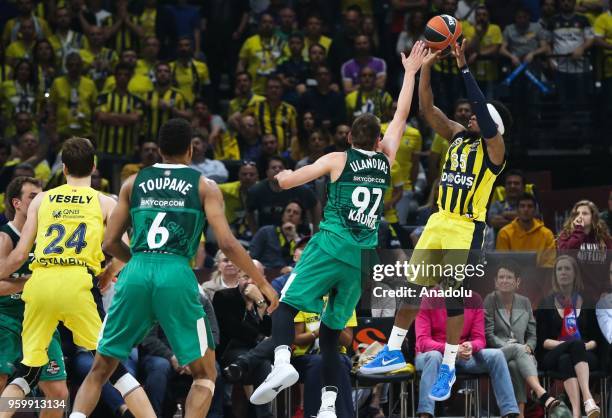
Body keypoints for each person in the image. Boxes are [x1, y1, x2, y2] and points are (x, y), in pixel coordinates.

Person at [248, 42, 428, 418]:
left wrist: (281, 178)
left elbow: (290, 181)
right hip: (361, 259)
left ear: (349, 138)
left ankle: (282, 363)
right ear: (377, 141)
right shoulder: (385, 160)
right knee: (331, 334)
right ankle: (329, 406)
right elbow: (401, 113)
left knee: (285, 308)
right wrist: (410, 72)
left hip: (329, 246)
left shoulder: (336, 158)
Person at [73, 118, 278, 418]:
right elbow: (229, 244)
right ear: (191, 149)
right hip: (176, 273)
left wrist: (139, 265)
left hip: (136, 270)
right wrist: (263, 283)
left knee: (101, 369)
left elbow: (109, 243)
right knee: (206, 373)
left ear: (158, 150)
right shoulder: (204, 186)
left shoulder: (132, 183)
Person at [361, 40, 513, 404]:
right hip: (438, 220)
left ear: (496, 124)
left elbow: (481, 110)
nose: (472, 115)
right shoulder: (459, 136)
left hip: (466, 225)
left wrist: (463, 66)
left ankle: (448, 363)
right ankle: (394, 349)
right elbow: (427, 107)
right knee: (413, 288)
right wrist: (427, 64)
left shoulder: (495, 151)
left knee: (452, 293)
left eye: (481, 114)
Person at [0, 137, 154, 418]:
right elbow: (124, 249)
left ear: (63, 167)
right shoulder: (104, 201)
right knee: (113, 367)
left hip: (40, 285)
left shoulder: (43, 200)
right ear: (94, 166)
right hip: (76, 284)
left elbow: (20, 254)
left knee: (32, 375)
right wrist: (108, 273)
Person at [0, 177, 69, 418]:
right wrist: (30, 282)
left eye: (42, 195)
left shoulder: (49, 237)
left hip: (41, 319)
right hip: (6, 318)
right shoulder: (5, 237)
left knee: (58, 394)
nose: (41, 200)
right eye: (33, 196)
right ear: (16, 203)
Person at [414, 290, 520, 418]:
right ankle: (426, 414)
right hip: (433, 356)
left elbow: (479, 339)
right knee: (434, 356)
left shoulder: (474, 299)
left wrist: (471, 346)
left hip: (462, 356)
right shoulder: (428, 298)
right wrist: (452, 349)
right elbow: (423, 342)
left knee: (496, 355)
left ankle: (510, 412)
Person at [484, 262, 561, 417]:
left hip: (522, 356)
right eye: (501, 277)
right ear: (495, 281)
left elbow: (532, 334)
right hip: (499, 353)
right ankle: (541, 393)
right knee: (516, 351)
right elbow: (489, 334)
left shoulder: (524, 302)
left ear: (517, 282)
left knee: (514, 364)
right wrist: (510, 345)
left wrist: (530, 347)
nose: (504, 280)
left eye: (509, 277)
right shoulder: (490, 300)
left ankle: (520, 414)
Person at [535, 255, 602, 418]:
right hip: (552, 354)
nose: (563, 272)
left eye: (567, 268)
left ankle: (576, 414)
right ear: (555, 275)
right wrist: (573, 346)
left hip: (584, 354)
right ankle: (588, 399)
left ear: (575, 274)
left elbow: (596, 338)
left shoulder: (588, 301)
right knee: (572, 348)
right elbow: (543, 341)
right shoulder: (546, 303)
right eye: (559, 269)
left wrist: (581, 347)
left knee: (566, 360)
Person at [246, 156, 320, 233]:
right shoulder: (256, 190)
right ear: (267, 172)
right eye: (274, 168)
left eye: (280, 167)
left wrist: (316, 230)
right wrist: (254, 233)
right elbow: (249, 211)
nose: (277, 170)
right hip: (268, 235)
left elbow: (316, 204)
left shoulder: (298, 187)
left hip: (298, 233)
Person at [496, 193, 556, 267]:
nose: (526, 209)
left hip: (540, 276)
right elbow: (503, 263)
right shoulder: (504, 233)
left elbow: (549, 264)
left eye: (530, 206)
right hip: (512, 277)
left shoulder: (547, 234)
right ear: (517, 210)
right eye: (522, 206)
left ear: (535, 210)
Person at [250, 201, 306, 269]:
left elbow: (307, 261)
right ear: (282, 216)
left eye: (296, 213)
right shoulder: (266, 232)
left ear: (301, 220)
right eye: (288, 211)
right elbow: (251, 258)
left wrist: (295, 237)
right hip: (266, 274)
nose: (291, 214)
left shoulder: (303, 240)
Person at [143, 61, 190, 141]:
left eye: (166, 71)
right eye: (159, 71)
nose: (162, 74)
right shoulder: (147, 95)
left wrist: (172, 109)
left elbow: (189, 115)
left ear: (170, 75)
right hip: (150, 140)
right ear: (155, 75)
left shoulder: (178, 95)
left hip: (172, 139)